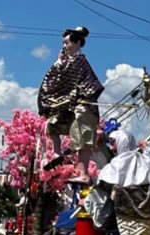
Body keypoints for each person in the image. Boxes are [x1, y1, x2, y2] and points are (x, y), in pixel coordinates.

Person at [38, 26, 104, 184]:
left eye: (67, 43)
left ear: (77, 43)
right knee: (52, 124)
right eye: (63, 43)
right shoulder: (69, 61)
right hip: (72, 106)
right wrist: (59, 62)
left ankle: (84, 173)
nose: (64, 46)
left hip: (84, 106)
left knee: (81, 139)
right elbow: (56, 81)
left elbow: (62, 80)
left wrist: (59, 63)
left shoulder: (79, 61)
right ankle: (57, 153)